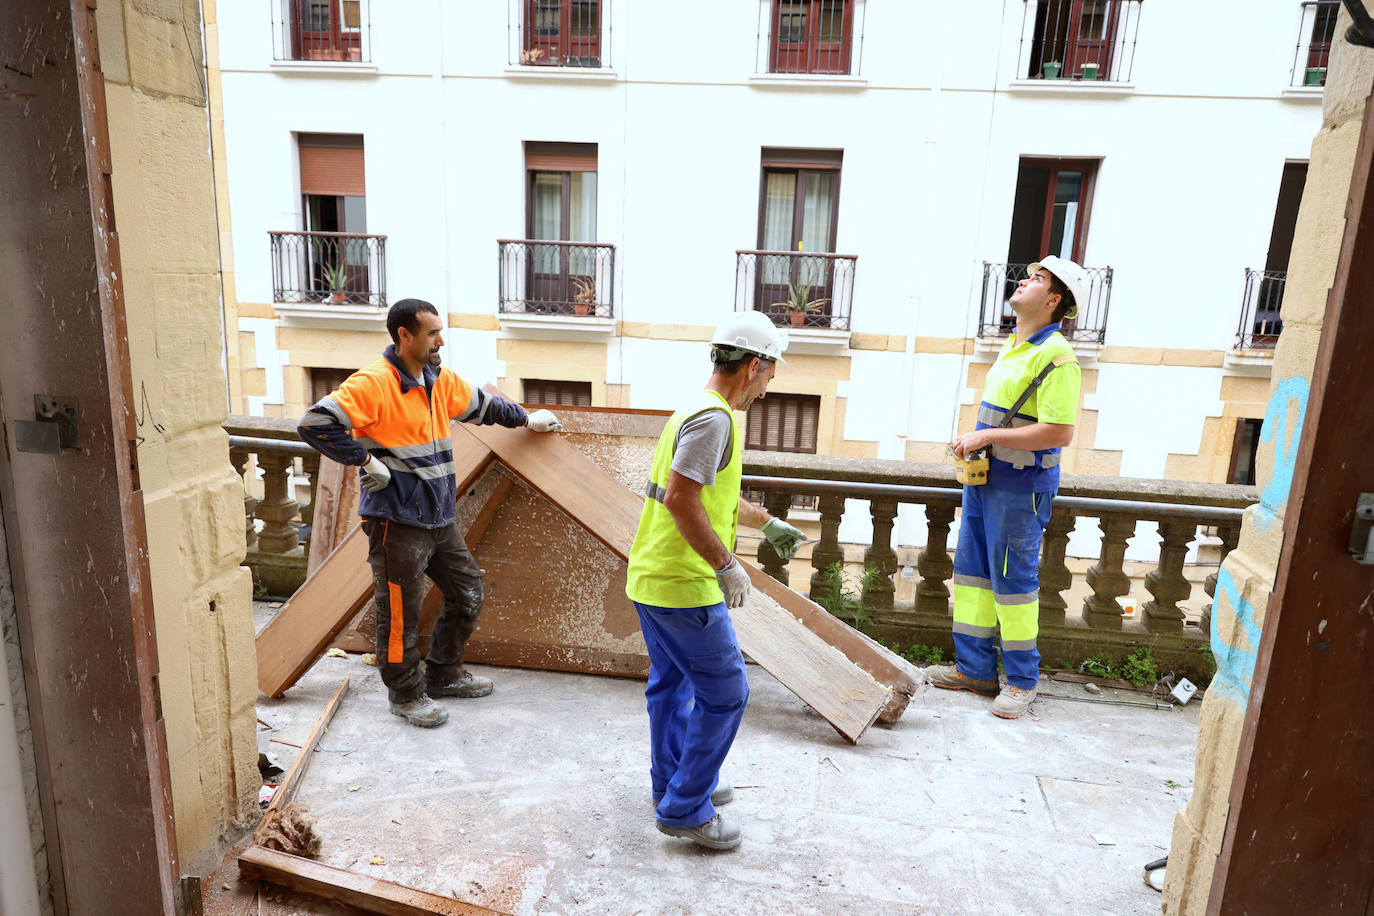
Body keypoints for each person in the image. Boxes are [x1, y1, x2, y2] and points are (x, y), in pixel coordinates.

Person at [297, 298, 563, 727]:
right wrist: (366, 462)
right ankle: (405, 695)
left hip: (439, 517)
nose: (441, 340)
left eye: (440, 331)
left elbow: (484, 406)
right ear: (405, 336)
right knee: (401, 611)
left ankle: (443, 674)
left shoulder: (438, 380)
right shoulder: (375, 383)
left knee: (468, 590)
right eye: (432, 333)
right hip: (396, 521)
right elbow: (313, 423)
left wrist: (528, 419)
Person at [625, 311, 806, 850]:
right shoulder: (717, 420)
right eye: (771, 376)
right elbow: (681, 499)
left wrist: (766, 521)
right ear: (753, 366)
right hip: (685, 585)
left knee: (671, 687)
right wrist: (727, 566)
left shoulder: (696, 409)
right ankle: (686, 809)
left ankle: (676, 784)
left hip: (652, 578)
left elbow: (702, 493)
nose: (769, 389)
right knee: (726, 694)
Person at [927, 256, 1085, 719]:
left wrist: (987, 437)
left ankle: (1020, 681)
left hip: (1021, 487)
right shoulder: (1015, 346)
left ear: (1053, 300)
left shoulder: (1058, 357)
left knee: (1014, 584)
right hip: (987, 481)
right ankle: (974, 670)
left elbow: (1059, 431)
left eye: (1036, 279)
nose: (1023, 281)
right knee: (973, 576)